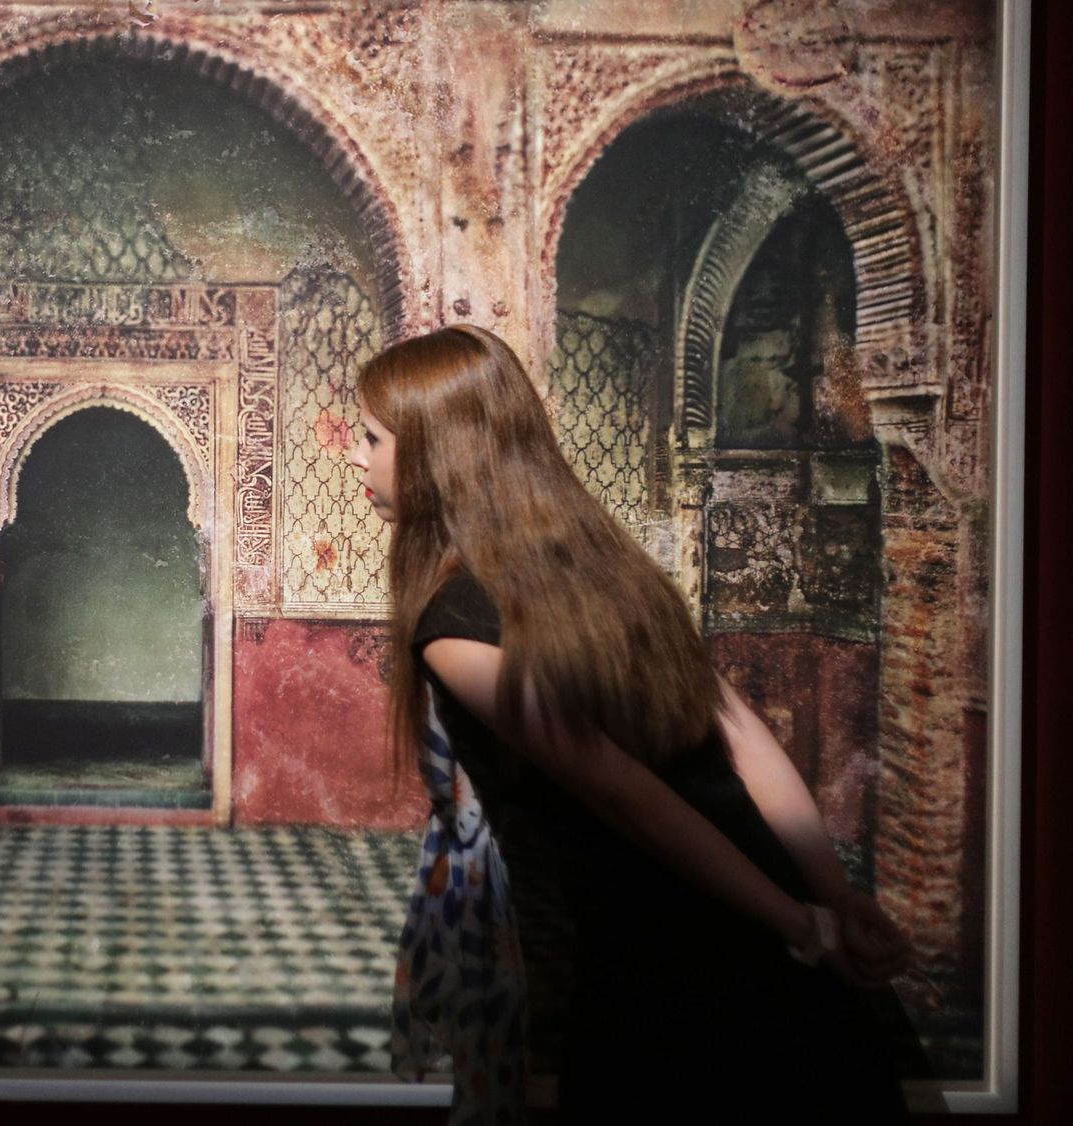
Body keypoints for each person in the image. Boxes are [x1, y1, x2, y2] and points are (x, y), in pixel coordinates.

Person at [350, 324, 919, 1123]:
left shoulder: (454, 624)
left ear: (438, 451)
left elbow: (629, 798)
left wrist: (805, 920)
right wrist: (825, 898)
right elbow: (744, 736)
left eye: (372, 437)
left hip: (675, 951)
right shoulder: (602, 563)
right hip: (758, 907)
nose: (356, 456)